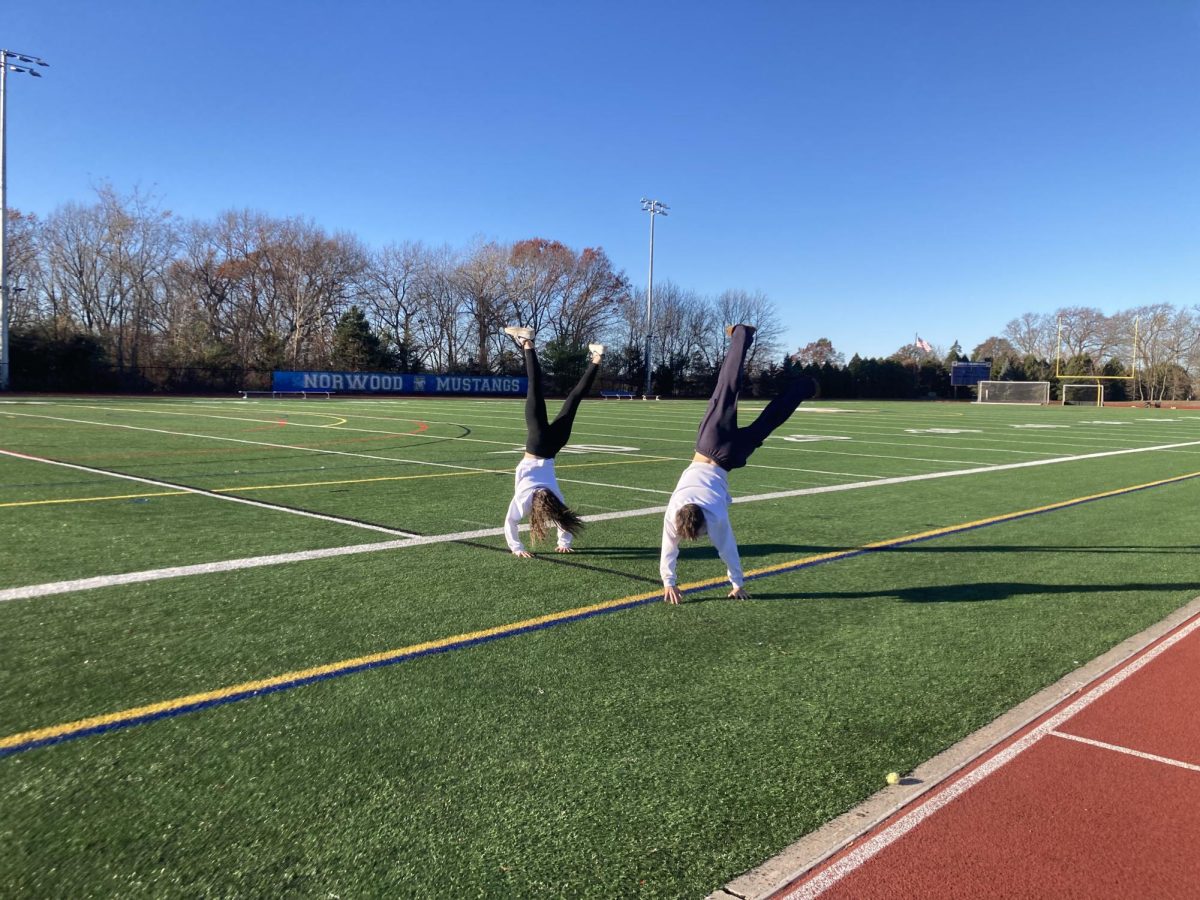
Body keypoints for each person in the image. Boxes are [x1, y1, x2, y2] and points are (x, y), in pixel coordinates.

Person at [660, 324, 818, 603]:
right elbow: (676, 548)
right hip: (709, 442)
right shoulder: (676, 510)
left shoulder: (715, 518)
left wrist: (737, 584)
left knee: (769, 420)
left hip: (730, 457)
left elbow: (724, 549)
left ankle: (806, 386)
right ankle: (741, 334)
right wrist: (669, 581)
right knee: (727, 387)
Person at [503, 326, 604, 557]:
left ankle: (597, 357)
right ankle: (527, 343)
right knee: (534, 388)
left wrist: (565, 542)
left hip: (555, 446)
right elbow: (510, 522)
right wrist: (517, 548)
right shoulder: (524, 500)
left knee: (574, 399)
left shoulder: (555, 497)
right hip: (537, 444)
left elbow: (562, 518)